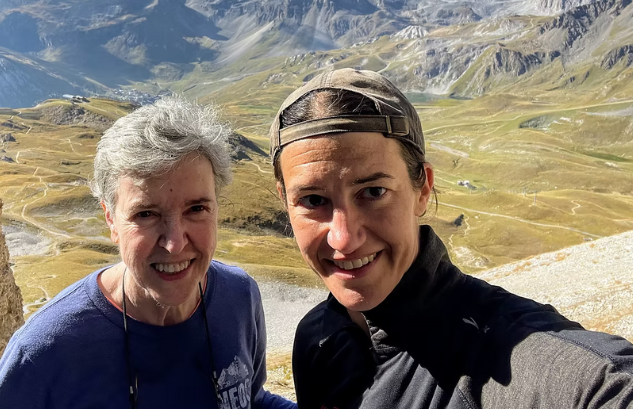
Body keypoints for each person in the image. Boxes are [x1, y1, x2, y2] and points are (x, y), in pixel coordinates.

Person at [269, 68, 633, 409]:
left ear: (423, 189)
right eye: (313, 201)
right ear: (285, 201)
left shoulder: (519, 354)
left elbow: (605, 382)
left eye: (374, 192)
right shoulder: (318, 338)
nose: (344, 239)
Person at [0, 97, 295, 409]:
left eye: (197, 209)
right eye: (146, 214)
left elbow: (252, 400)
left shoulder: (239, 296)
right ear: (111, 220)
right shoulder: (45, 349)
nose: (174, 243)